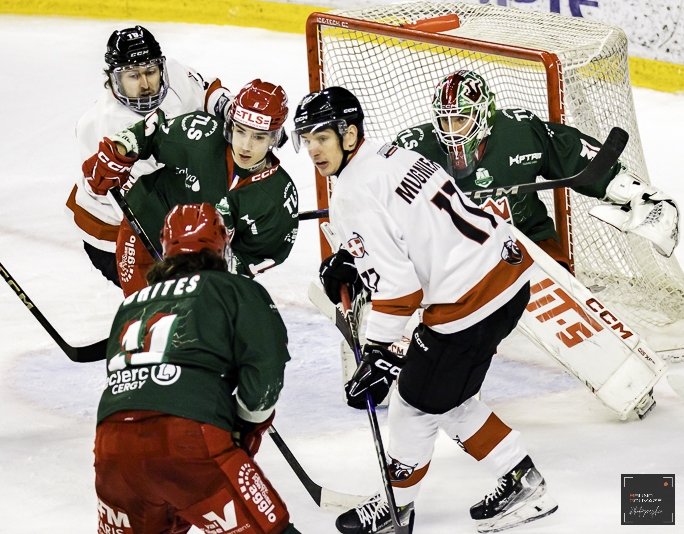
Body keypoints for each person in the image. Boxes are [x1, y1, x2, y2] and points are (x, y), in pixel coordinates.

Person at [292, 87, 558, 533]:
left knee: (414, 404)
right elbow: (410, 228)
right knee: (448, 396)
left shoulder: (351, 194)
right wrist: (355, 258)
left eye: (323, 136)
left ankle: (396, 507)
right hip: (506, 277)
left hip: (467, 302)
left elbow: (401, 287)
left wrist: (377, 350)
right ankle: (520, 479)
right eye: (307, 138)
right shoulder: (394, 153)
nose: (313, 149)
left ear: (350, 134)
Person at [94, 202, 302, 534]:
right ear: (222, 244)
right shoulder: (236, 290)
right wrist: (246, 427)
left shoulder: (130, 304)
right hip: (187, 439)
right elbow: (266, 366)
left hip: (112, 449)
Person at [392, 69, 679, 269]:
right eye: (445, 121)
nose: (452, 131)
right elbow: (381, 203)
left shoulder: (519, 132)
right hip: (452, 253)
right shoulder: (413, 148)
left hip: (526, 238)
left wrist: (634, 192)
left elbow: (572, 154)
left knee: (568, 305)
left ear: (484, 114)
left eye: (461, 119)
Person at [84, 78, 299, 296]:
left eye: (259, 137)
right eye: (240, 131)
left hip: (203, 271)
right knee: (146, 316)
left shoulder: (279, 199)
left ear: (275, 137)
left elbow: (253, 257)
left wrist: (206, 268)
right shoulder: (200, 135)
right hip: (144, 230)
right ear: (230, 125)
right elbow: (151, 134)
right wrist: (119, 149)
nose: (245, 145)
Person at [67, 25, 233, 286]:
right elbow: (148, 204)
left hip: (161, 202)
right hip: (114, 232)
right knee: (168, 295)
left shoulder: (173, 74)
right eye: (133, 76)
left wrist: (235, 113)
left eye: (150, 72)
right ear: (113, 79)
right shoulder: (104, 127)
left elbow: (207, 96)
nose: (145, 85)